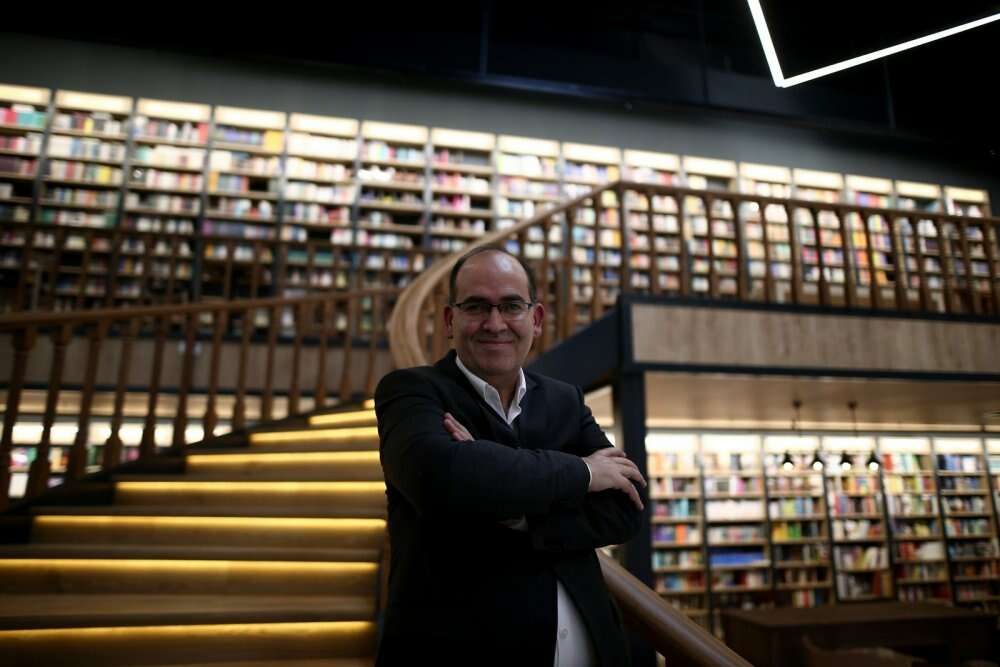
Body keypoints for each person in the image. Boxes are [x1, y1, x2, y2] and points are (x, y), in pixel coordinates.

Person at [374, 245, 647, 666]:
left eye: (511, 306)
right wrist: (584, 473)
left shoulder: (564, 400)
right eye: (476, 306)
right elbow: (441, 479)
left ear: (535, 319)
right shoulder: (411, 391)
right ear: (449, 320)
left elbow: (626, 507)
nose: (495, 323)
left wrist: (511, 507)